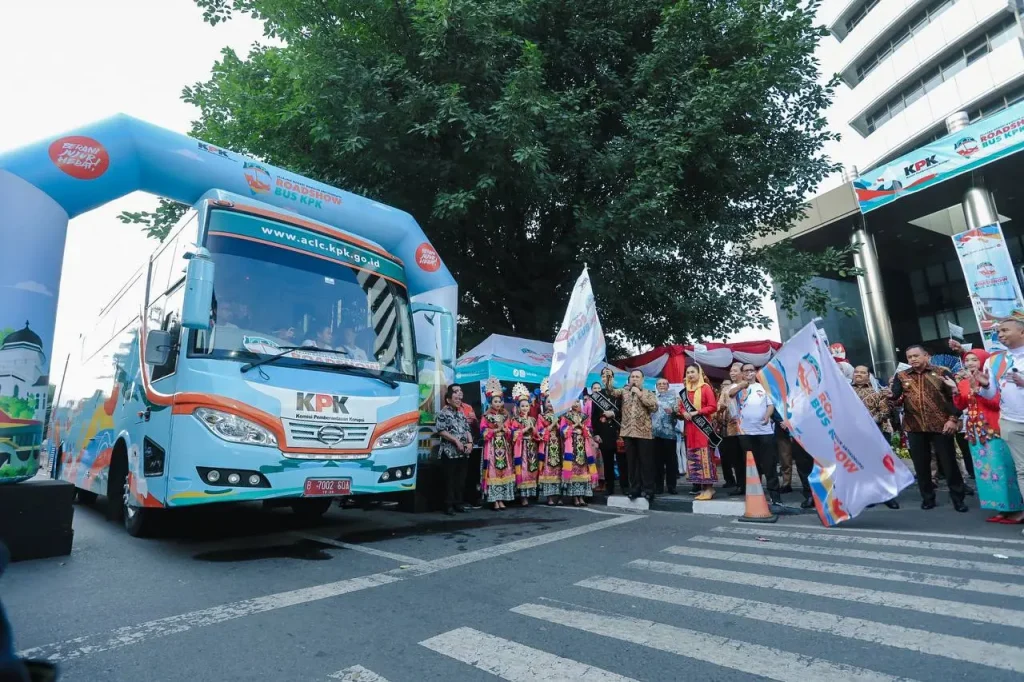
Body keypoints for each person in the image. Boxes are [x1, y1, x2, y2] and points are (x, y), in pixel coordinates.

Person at [890, 345, 968, 512]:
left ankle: (958, 498)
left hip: (942, 426)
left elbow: (954, 398)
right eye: (909, 357)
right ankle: (927, 498)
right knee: (921, 465)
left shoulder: (941, 373)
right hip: (914, 426)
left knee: (949, 464)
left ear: (926, 356)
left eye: (916, 356)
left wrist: (953, 419)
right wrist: (890, 396)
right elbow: (895, 400)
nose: (913, 359)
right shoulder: (902, 376)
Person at [954, 348, 1024, 522]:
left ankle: (1016, 509)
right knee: (986, 472)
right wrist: (955, 392)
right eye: (967, 360)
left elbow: (996, 403)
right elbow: (962, 404)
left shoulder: (992, 378)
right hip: (974, 432)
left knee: (1004, 471)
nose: (970, 363)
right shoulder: (963, 381)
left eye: (974, 360)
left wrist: (980, 388)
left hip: (993, 429)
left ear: (984, 362)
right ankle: (1001, 508)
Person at [972, 319, 1024, 528]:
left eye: (1004, 330)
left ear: (1021, 332)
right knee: (1022, 471)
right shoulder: (993, 361)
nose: (1000, 335)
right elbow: (992, 393)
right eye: (998, 331)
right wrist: (984, 386)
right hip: (1011, 422)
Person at [604, 369, 658, 504]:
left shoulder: (648, 393)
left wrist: (639, 394)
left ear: (642, 379)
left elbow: (654, 407)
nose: (634, 379)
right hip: (627, 432)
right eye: (632, 377)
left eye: (637, 377)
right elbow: (611, 391)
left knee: (646, 463)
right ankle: (635, 489)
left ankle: (649, 490)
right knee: (632, 463)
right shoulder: (624, 392)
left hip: (644, 433)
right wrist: (609, 378)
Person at [729, 363, 781, 503]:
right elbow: (730, 394)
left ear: (756, 372)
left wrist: (767, 415)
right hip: (745, 432)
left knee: (769, 464)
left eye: (752, 370)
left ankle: (775, 496)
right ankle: (756, 495)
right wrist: (743, 384)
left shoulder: (763, 387)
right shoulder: (737, 387)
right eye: (746, 371)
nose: (749, 373)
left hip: (764, 431)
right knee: (752, 465)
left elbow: (771, 404)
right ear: (742, 373)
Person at [852, 365, 900, 510]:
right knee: (861, 465)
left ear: (868, 376)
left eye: (862, 372)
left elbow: (885, 412)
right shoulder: (845, 391)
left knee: (882, 465)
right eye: (856, 372)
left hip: (876, 432)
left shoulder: (877, 392)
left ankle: (888, 496)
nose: (859, 374)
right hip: (853, 434)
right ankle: (868, 495)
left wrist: (872, 420)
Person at [679, 364, 718, 500]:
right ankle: (702, 488)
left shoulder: (705, 388)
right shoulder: (685, 391)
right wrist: (684, 412)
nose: (690, 375)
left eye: (693, 372)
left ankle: (709, 488)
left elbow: (713, 406)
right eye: (688, 372)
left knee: (705, 456)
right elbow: (681, 407)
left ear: (699, 373)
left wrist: (697, 412)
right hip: (690, 428)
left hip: (703, 428)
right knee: (695, 457)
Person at [435, 385, 474, 515]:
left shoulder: (461, 414)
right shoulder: (443, 413)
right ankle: (448, 505)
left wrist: (470, 443)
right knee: (449, 480)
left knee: (461, 479)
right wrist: (456, 440)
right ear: (448, 400)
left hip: (462, 453)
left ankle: (458, 503)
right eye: (455, 398)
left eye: (459, 399)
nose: (458, 401)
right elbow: (441, 431)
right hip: (449, 452)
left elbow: (467, 430)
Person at [480, 377, 516, 510]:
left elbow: (511, 430)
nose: (498, 403)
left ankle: (502, 499)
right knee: (493, 471)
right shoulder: (486, 416)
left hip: (504, 446)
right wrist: (495, 429)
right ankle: (494, 500)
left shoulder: (506, 415)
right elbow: (483, 432)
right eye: (495, 401)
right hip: (492, 446)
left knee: (504, 470)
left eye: (500, 401)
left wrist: (505, 429)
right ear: (490, 402)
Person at [560, 399, 597, 506]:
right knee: (573, 471)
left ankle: (581, 496)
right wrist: (573, 427)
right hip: (571, 447)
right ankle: (575, 497)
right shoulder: (566, 416)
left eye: (577, 401)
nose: (575, 404)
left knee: (583, 471)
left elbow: (590, 430)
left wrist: (583, 427)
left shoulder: (585, 416)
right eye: (573, 401)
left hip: (583, 448)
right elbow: (562, 430)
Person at [510, 384, 541, 506]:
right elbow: (513, 434)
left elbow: (537, 435)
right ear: (518, 407)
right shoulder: (515, 420)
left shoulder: (533, 419)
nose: (525, 408)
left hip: (532, 447)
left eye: (526, 405)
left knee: (532, 469)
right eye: (522, 406)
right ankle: (523, 496)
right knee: (523, 470)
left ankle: (532, 494)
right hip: (521, 447)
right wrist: (525, 429)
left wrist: (534, 431)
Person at [718, 363, 746, 495]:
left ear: (742, 372)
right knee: (736, 459)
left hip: (747, 428)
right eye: (731, 371)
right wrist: (721, 408)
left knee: (749, 457)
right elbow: (719, 407)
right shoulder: (725, 389)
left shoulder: (748, 385)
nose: (732, 373)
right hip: (731, 428)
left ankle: (754, 484)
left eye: (735, 371)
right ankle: (741, 485)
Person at [591, 377, 621, 494]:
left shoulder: (619, 393)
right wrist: (596, 433)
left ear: (613, 378)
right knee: (607, 462)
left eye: (609, 376)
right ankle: (610, 487)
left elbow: (624, 411)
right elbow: (594, 417)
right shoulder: (598, 395)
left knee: (622, 462)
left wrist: (613, 413)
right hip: (604, 433)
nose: (606, 379)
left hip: (619, 433)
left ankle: (625, 486)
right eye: (604, 376)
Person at [652, 378, 680, 495]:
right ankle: (658, 486)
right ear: (656, 386)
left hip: (669, 435)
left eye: (664, 384)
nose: (662, 385)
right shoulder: (652, 397)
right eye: (659, 384)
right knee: (657, 462)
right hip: (655, 434)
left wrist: (674, 410)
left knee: (671, 462)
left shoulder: (674, 397)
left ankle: (671, 486)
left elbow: (678, 413)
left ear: (668, 386)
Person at [536, 392, 564, 505]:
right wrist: (552, 425)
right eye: (548, 401)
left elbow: (565, 431)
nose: (551, 404)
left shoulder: (561, 415)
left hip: (559, 446)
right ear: (544, 403)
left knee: (560, 470)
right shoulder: (541, 417)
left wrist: (558, 426)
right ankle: (549, 497)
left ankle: (560, 496)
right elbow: (539, 433)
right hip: (547, 447)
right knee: (548, 471)